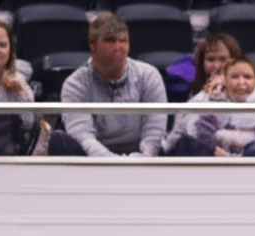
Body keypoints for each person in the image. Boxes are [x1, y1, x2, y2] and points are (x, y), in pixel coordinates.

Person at [49, 13, 167, 157]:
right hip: (92, 160)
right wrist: (114, 162)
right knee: (58, 141)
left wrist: (141, 160)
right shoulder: (75, 84)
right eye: (110, 41)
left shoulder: (149, 75)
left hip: (143, 160)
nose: (119, 47)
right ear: (93, 46)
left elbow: (154, 131)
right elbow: (82, 136)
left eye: (123, 41)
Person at [163, 56, 255, 157]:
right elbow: (198, 132)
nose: (241, 82)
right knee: (188, 144)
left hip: (249, 157)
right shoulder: (211, 97)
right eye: (234, 77)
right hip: (214, 156)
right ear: (225, 80)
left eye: (247, 77)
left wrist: (231, 154)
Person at [0, 19, 47, 155]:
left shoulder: (19, 86)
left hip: (12, 160)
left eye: (2, 45)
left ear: (10, 50)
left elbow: (28, 130)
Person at [188, 33, 241, 98]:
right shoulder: (194, 87)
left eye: (223, 59)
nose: (216, 66)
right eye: (211, 59)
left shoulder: (247, 86)